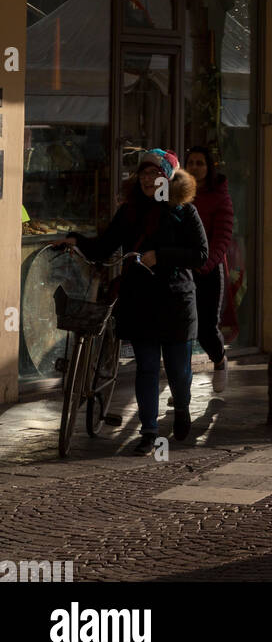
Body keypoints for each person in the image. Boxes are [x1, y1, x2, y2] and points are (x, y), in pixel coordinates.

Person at [60, 148, 207, 454]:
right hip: (141, 300)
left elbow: (200, 255)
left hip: (176, 301)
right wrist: (76, 240)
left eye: (154, 173)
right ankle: (149, 431)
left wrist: (161, 256)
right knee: (147, 367)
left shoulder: (184, 212)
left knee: (179, 370)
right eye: (143, 173)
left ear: (167, 177)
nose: (147, 179)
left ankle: (181, 407)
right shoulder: (130, 211)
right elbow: (104, 247)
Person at [185, 146, 234, 392]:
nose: (195, 167)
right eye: (191, 163)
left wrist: (205, 263)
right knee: (181, 330)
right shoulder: (180, 192)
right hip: (182, 268)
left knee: (206, 329)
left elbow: (223, 236)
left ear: (209, 167)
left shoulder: (219, 195)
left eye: (200, 163)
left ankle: (219, 360)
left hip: (209, 271)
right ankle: (180, 387)